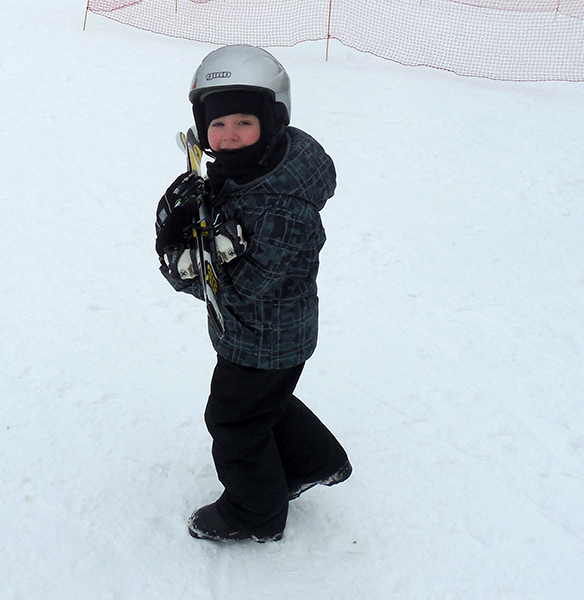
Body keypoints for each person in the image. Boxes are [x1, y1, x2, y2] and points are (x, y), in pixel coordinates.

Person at [154, 45, 351, 543]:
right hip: (278, 332)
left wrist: (180, 255)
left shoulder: (279, 208)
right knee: (265, 403)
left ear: (272, 119)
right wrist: (205, 208)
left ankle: (254, 513)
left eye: (244, 122)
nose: (229, 135)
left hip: (261, 335)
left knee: (233, 420)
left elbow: (239, 285)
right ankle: (312, 461)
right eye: (217, 125)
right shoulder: (263, 165)